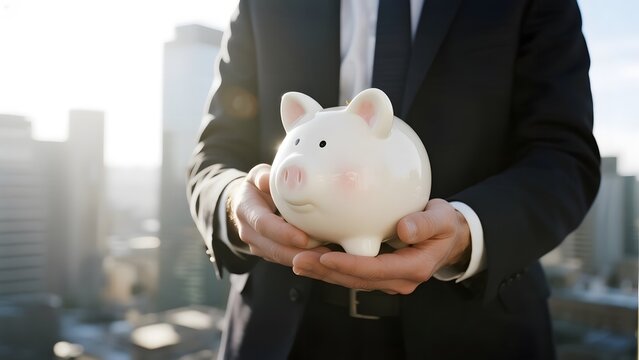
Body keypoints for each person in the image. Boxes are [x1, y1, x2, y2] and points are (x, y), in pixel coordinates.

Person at [187, 0, 600, 358]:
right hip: (281, 332)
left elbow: (563, 156)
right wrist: (232, 203)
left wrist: (468, 232)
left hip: (475, 332)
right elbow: (215, 155)